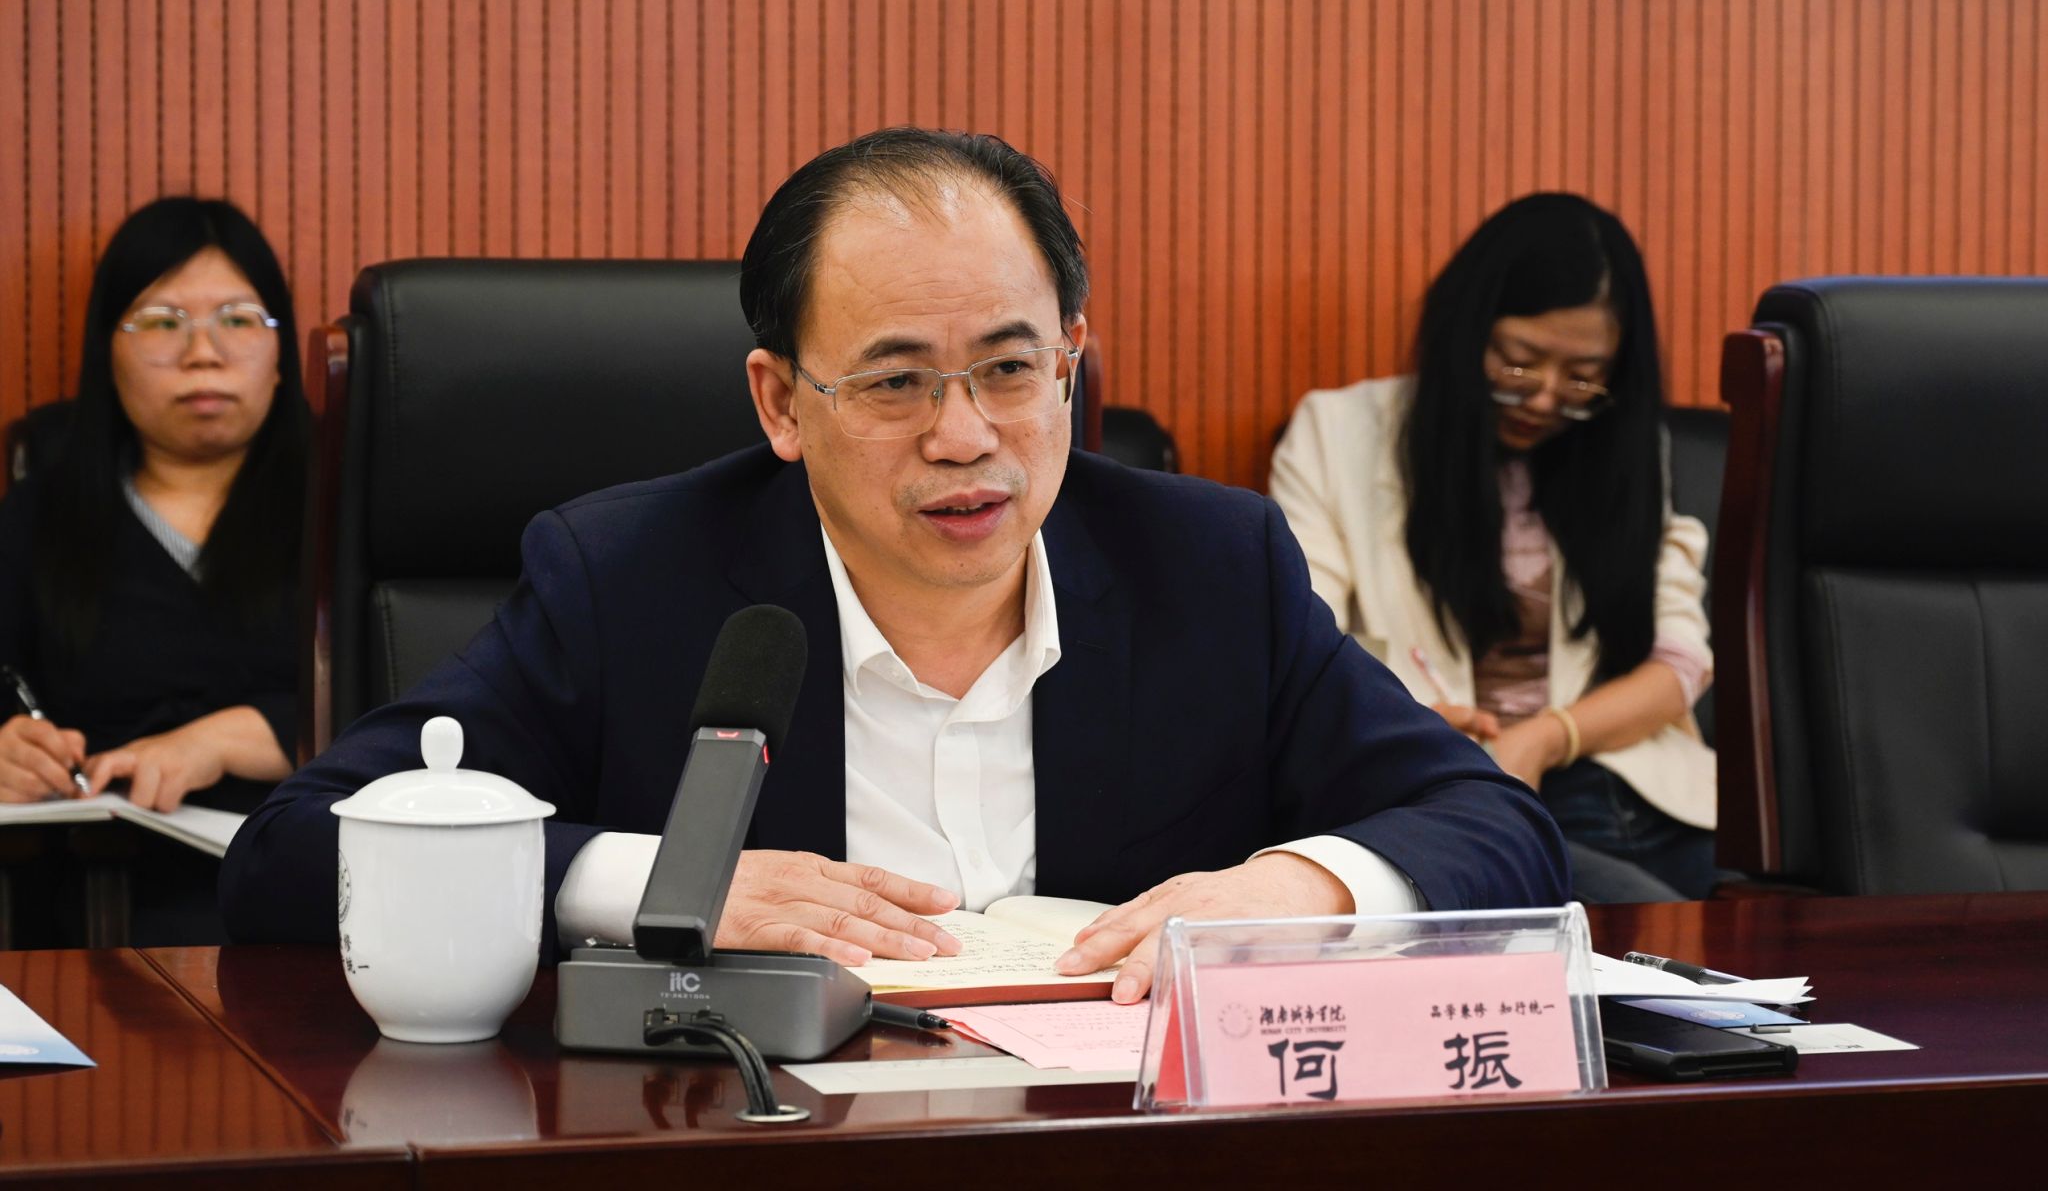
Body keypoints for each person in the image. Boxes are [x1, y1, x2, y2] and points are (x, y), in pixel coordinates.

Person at [221, 128, 1566, 1001]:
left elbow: (1493, 824)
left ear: (1071, 361)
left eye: (1010, 369)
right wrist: (660, 884)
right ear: (779, 403)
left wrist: (1295, 891)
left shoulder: (1209, 567)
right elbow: (289, 855)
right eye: (895, 381)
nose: (965, 436)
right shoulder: (629, 579)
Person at [1269, 193, 1716, 902]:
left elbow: (1680, 663)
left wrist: (1543, 738)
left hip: (1622, 791)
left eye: (1582, 377)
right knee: (1622, 915)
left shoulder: (1627, 451)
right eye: (1518, 364)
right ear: (1467, 332)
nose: (1544, 398)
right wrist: (1418, 719)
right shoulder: (1338, 433)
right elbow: (1302, 639)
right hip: (1432, 781)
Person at [0, 197, 309, 941]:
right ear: (106, 353)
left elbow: (419, 695)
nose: (203, 352)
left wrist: (224, 739)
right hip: (89, 919)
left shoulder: (348, 504)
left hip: (310, 909)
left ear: (281, 355)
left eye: (238, 319)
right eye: (163, 322)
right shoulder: (39, 515)